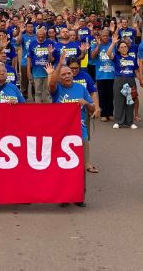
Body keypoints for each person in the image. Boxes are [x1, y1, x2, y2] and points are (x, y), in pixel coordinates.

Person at [47, 51, 95, 207]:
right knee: (63, 166)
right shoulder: (57, 89)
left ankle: (79, 196)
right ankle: (64, 196)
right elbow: (51, 84)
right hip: (61, 133)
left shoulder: (81, 88)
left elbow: (92, 109)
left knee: (80, 167)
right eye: (64, 74)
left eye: (69, 73)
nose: (67, 76)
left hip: (80, 133)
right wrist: (59, 64)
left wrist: (86, 103)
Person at [68, 58, 100, 174]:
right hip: (66, 115)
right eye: (72, 68)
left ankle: (87, 163)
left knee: (84, 136)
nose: (74, 71)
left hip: (83, 111)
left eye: (76, 68)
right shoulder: (63, 78)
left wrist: (96, 108)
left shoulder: (86, 76)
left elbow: (93, 92)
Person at [106, 34, 140, 129]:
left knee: (130, 100)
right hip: (119, 79)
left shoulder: (132, 58)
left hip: (130, 80)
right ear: (119, 49)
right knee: (118, 100)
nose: (124, 48)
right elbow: (108, 54)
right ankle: (119, 121)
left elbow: (136, 70)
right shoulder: (116, 57)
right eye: (121, 47)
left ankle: (130, 122)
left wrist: (141, 80)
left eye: (125, 46)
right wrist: (113, 43)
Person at [91, 28, 115, 121]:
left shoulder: (112, 44)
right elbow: (93, 56)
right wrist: (98, 45)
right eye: (104, 36)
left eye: (107, 36)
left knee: (110, 95)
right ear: (100, 37)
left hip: (111, 73)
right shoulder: (96, 45)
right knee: (102, 95)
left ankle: (110, 113)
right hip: (100, 74)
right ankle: (103, 114)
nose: (106, 37)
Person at [27, 26, 55, 103]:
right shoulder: (32, 44)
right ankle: (38, 110)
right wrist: (28, 71)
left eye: (42, 37)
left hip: (48, 72)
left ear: (45, 36)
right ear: (36, 36)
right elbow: (29, 58)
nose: (40, 39)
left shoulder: (50, 43)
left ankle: (48, 111)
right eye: (39, 37)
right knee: (37, 92)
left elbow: (52, 60)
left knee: (48, 92)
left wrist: (50, 53)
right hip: (36, 72)